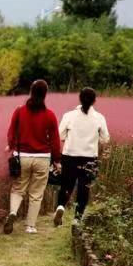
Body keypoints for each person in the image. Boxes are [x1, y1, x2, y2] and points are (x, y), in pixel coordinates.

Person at [4, 80, 62, 235]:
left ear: (31, 91)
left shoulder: (19, 111)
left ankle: (13, 213)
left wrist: (11, 145)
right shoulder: (50, 115)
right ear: (45, 94)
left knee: (17, 189)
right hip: (42, 158)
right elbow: (55, 140)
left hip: (22, 156)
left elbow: (11, 132)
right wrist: (57, 160)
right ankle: (30, 226)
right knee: (36, 194)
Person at [53, 87, 110, 228]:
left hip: (69, 156)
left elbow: (59, 136)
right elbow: (105, 139)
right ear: (94, 101)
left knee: (66, 186)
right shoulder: (99, 117)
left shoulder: (69, 115)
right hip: (89, 159)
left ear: (79, 98)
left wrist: (69, 138)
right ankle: (77, 219)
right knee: (84, 188)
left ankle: (60, 207)